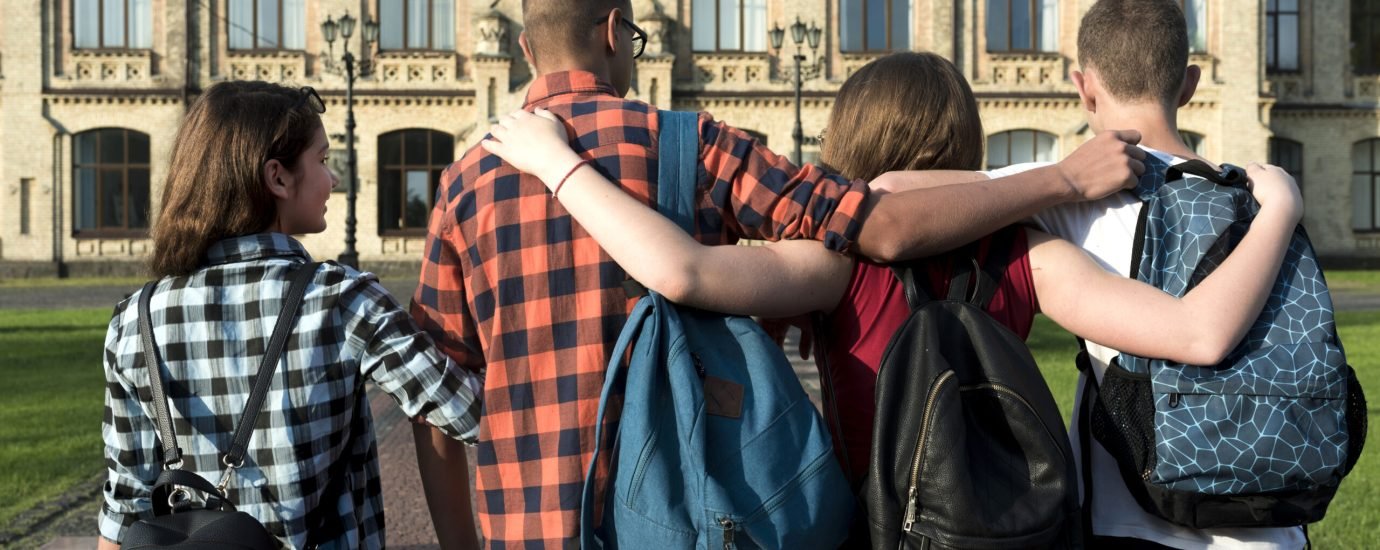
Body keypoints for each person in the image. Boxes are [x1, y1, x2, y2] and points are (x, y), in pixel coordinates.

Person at [411, 1, 1148, 546]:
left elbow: (435, 399)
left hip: (526, 520)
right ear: (614, 31)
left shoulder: (463, 185)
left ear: (523, 47)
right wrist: (1061, 179)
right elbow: (877, 223)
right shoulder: (697, 145)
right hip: (689, 517)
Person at [479, 49, 1300, 505]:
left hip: (874, 522)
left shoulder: (836, 264)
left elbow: (680, 271)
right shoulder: (1031, 257)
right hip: (1008, 523)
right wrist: (1279, 211)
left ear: (854, 137)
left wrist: (557, 164)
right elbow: (1200, 334)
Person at [977, 1, 1311, 547]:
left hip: (1127, 520)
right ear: (1189, 84)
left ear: (1084, 89)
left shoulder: (1072, 199)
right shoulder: (1265, 198)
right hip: (1271, 518)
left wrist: (1059, 179)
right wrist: (1283, 209)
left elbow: (895, 197)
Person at [98, 80, 483, 549]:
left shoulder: (134, 321)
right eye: (322, 160)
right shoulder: (341, 300)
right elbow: (470, 413)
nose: (333, 179)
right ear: (277, 178)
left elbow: (125, 510)